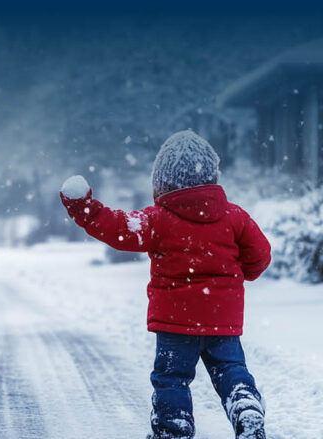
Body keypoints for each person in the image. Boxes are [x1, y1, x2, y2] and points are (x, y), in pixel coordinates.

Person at [59, 130, 271, 439]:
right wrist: (243, 274)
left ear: (162, 181)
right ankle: (244, 403)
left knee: (172, 378)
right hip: (222, 320)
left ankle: (174, 426)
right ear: (212, 176)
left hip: (175, 323)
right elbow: (260, 255)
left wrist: (83, 207)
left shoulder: (157, 219)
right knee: (230, 370)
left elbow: (118, 228)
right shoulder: (234, 217)